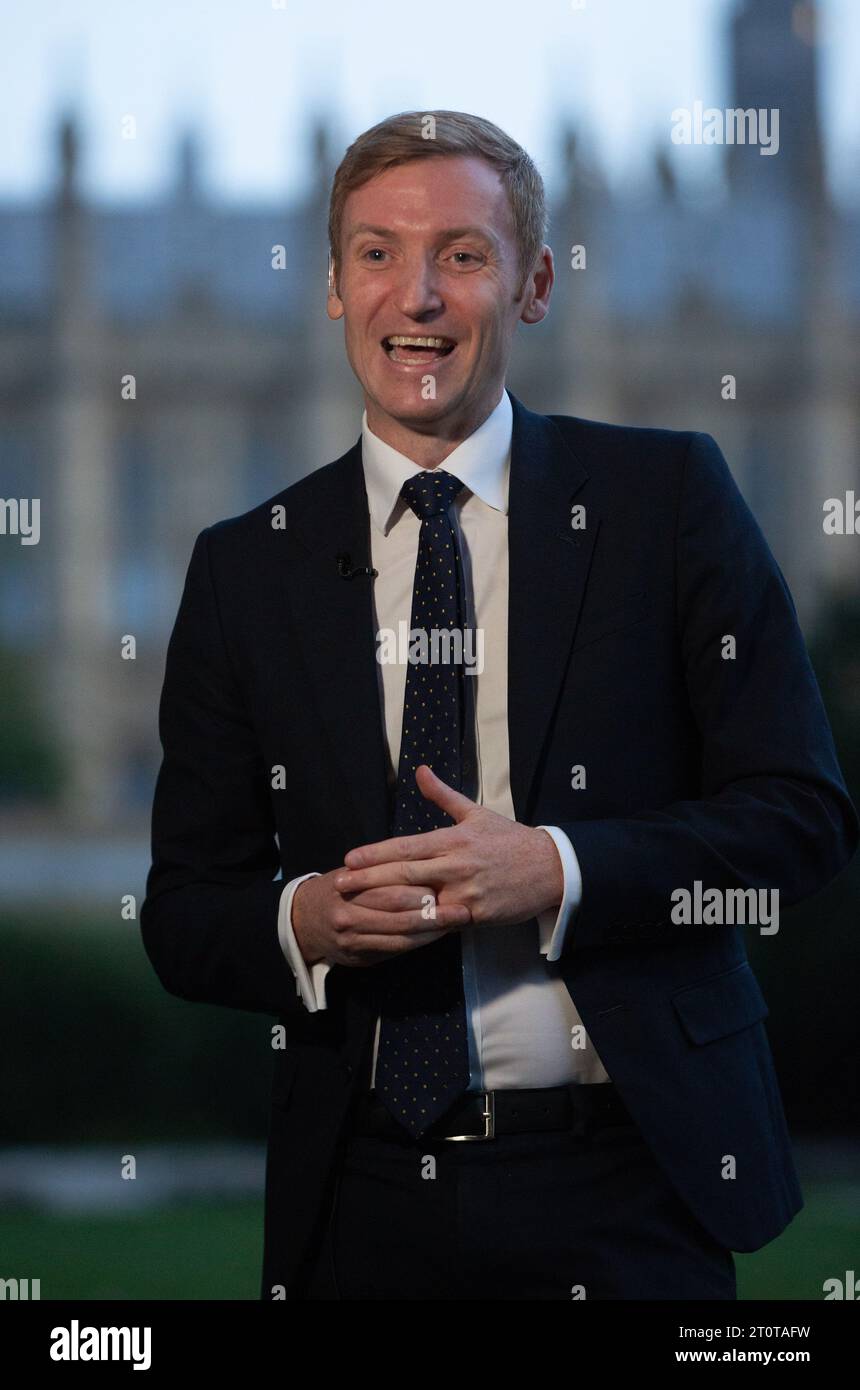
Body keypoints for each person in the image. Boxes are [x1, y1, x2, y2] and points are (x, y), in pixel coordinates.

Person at [140, 110, 858, 1301]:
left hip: (628, 1187)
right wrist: (307, 920)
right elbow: (183, 911)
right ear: (331, 285)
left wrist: (563, 870)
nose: (414, 297)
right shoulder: (244, 567)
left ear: (532, 284)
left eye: (461, 256)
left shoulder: (663, 500)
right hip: (359, 1196)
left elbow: (799, 817)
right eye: (376, 254)